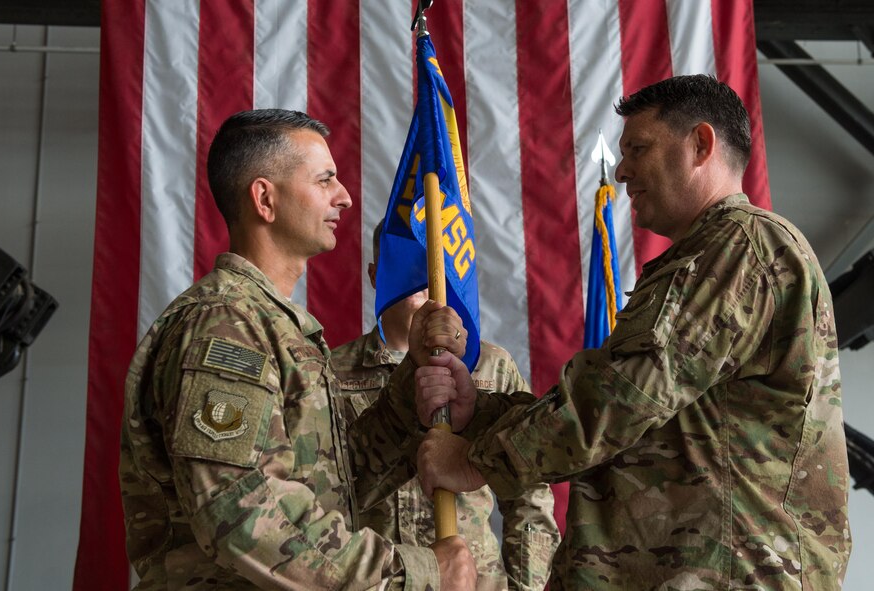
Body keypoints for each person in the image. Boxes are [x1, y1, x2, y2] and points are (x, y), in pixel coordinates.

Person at [410, 75, 853, 589]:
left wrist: (477, 459)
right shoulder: (715, 253)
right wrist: (482, 415)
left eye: (638, 148)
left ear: (700, 145)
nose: (622, 172)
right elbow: (653, 421)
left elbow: (625, 398)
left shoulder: (739, 246)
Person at [119, 109, 477, 590]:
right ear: (265, 199)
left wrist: (409, 390)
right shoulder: (224, 324)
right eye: (325, 179)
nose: (345, 197)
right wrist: (416, 573)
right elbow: (238, 510)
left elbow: (331, 482)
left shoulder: (272, 324)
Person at [332, 222, 560, 591]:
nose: (428, 285)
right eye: (410, 272)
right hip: (384, 579)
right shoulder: (331, 372)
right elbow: (326, 491)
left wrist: (525, 586)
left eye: (437, 269)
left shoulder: (489, 365)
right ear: (377, 276)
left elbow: (529, 492)